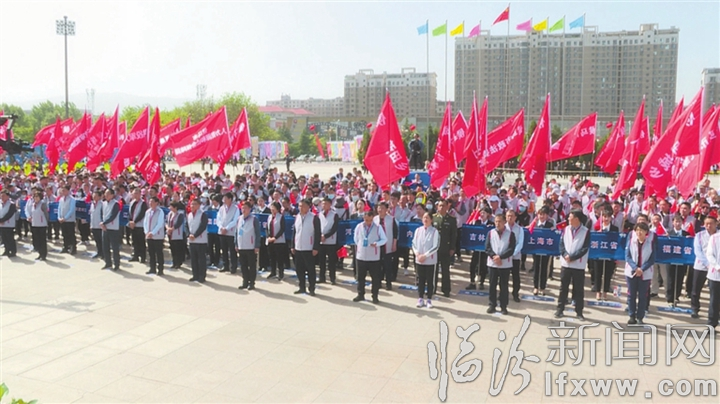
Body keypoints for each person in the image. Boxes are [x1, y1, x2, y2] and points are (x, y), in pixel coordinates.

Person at [554, 209, 591, 321]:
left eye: (570, 217)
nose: (568, 219)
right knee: (563, 288)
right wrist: (565, 254)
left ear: (577, 219)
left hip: (578, 265)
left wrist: (573, 257)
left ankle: (579, 312)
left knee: (578, 289)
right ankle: (560, 309)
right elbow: (561, 244)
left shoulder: (585, 231)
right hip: (566, 264)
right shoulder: (565, 229)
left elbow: (585, 248)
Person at [624, 222, 657, 325]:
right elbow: (627, 256)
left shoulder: (650, 243)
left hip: (645, 272)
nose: (639, 232)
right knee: (631, 295)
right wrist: (635, 268)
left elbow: (652, 259)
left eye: (641, 230)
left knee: (643, 296)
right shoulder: (631, 241)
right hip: (631, 272)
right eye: (637, 230)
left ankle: (640, 317)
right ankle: (631, 316)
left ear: (646, 232)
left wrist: (642, 269)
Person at [353, 210, 387, 304]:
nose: (367, 222)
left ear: (372, 218)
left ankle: (374, 296)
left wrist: (377, 244)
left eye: (369, 220)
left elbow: (384, 239)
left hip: (373, 257)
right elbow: (356, 238)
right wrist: (360, 246)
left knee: (375, 278)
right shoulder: (359, 226)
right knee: (360, 277)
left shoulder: (378, 227)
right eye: (366, 219)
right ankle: (360, 294)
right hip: (361, 256)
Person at [485, 214, 517, 315]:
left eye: (499, 221)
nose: (497, 224)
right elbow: (487, 248)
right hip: (492, 263)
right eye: (496, 221)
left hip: (505, 264)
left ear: (504, 222)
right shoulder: (491, 233)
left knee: (504, 286)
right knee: (492, 285)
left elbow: (511, 249)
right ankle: (492, 305)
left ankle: (503, 306)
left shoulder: (510, 234)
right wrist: (494, 256)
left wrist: (501, 257)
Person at [292, 198, 321, 296]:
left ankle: (312, 288)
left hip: (309, 248)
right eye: (300, 206)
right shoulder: (297, 217)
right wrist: (293, 245)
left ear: (309, 207)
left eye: (303, 206)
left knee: (310, 270)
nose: (301, 208)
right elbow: (295, 232)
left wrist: (315, 247)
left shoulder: (314, 218)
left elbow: (317, 233)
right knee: (299, 269)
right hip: (298, 247)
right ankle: (302, 287)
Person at [691, 215, 717, 318]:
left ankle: (715, 312)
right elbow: (698, 251)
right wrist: (707, 263)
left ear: (716, 224)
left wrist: (714, 264)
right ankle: (695, 309)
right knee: (696, 289)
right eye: (707, 224)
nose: (709, 226)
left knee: (715, 291)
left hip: (716, 268)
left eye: (711, 224)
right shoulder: (699, 235)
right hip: (701, 265)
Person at [412, 212, 439, 308]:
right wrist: (417, 254)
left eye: (427, 218)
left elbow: (435, 246)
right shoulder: (418, 230)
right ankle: (420, 298)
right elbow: (414, 243)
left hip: (430, 260)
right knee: (420, 279)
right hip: (419, 259)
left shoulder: (435, 231)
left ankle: (429, 299)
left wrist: (425, 255)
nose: (425, 220)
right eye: (424, 218)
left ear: (431, 220)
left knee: (430, 280)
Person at [433, 199, 457, 297]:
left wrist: (452, 248)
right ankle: (432, 288)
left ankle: (446, 290)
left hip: (446, 248)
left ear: (447, 207)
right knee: (434, 270)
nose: (441, 207)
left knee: (445, 270)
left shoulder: (451, 219)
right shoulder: (434, 218)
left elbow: (454, 235)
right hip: (435, 248)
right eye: (440, 205)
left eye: (443, 205)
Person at [593, 209, 618, 300]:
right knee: (598, 273)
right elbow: (594, 240)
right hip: (599, 253)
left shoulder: (615, 228)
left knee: (608, 273)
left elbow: (616, 241)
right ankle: (598, 291)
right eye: (604, 216)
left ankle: (605, 291)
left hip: (610, 254)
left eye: (608, 217)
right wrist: (598, 234)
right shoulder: (597, 227)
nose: (606, 219)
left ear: (611, 218)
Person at [236, 201, 261, 290]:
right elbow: (236, 232)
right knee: (243, 265)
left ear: (250, 209)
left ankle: (252, 283)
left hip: (250, 246)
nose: (244, 210)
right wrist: (236, 243)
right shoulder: (239, 219)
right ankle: (245, 281)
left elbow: (257, 233)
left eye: (245, 208)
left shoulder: (254, 219)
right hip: (241, 245)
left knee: (252, 265)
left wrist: (257, 245)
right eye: (242, 208)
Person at [665, 215, 689, 307]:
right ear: (673, 222)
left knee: (680, 278)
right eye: (676, 221)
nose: (678, 223)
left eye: (679, 222)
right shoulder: (669, 233)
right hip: (671, 259)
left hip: (682, 260)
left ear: (682, 223)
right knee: (670, 279)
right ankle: (670, 298)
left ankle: (676, 296)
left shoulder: (686, 234)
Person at [375, 201, 399, 290]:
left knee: (387, 265)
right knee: (378, 265)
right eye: (379, 208)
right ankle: (378, 282)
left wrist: (394, 244)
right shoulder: (374, 219)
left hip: (387, 245)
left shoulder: (391, 219)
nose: (380, 210)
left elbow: (395, 233)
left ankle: (388, 283)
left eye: (382, 208)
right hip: (377, 245)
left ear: (386, 209)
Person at [532, 206, 555, 296]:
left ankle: (542, 287)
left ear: (547, 216)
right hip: (536, 249)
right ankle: (535, 287)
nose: (541, 216)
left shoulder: (550, 225)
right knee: (536, 267)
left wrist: (554, 231)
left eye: (544, 214)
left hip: (546, 250)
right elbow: (529, 233)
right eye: (540, 214)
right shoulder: (534, 224)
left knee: (544, 268)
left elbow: (553, 236)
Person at [317, 197, 339, 284]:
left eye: (326, 203)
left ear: (330, 204)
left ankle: (332, 278)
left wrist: (326, 236)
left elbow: (334, 228)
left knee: (331, 261)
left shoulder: (334, 215)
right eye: (322, 203)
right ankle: (322, 277)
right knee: (321, 261)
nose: (324, 205)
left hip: (331, 241)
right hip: (321, 241)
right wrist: (320, 235)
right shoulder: (319, 214)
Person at [217, 192, 239, 274]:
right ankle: (225, 266)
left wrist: (227, 228)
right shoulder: (221, 208)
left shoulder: (236, 208)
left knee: (232, 250)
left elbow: (235, 220)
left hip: (231, 232)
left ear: (230, 199)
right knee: (224, 250)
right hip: (222, 232)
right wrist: (221, 227)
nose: (224, 200)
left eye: (226, 198)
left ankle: (233, 266)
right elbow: (218, 219)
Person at [505, 210, 524, 303]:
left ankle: (515, 294)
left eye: (512, 216)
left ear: (515, 217)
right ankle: (503, 294)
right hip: (504, 256)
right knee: (504, 276)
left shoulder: (519, 229)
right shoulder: (503, 227)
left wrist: (512, 253)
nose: (510, 218)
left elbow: (520, 243)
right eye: (508, 216)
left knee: (515, 276)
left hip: (515, 256)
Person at [187, 198, 208, 282]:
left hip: (200, 240)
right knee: (194, 259)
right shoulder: (189, 215)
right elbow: (186, 225)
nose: (192, 206)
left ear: (199, 205)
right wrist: (189, 234)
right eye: (191, 204)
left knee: (201, 259)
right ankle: (195, 275)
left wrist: (195, 235)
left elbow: (203, 226)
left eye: (195, 204)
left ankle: (202, 276)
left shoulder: (202, 214)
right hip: (191, 240)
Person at [143, 196, 165, 276]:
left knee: (159, 253)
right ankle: (152, 268)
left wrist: (153, 232)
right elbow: (145, 222)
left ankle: (160, 269)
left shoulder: (160, 212)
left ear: (156, 203)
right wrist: (146, 232)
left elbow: (160, 224)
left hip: (157, 236)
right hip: (149, 235)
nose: (150, 203)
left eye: (152, 202)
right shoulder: (148, 211)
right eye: (149, 202)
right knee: (151, 252)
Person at [100, 188, 121, 271]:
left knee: (115, 247)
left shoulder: (116, 204)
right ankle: (108, 263)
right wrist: (102, 223)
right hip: (105, 228)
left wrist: (104, 223)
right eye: (105, 193)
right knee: (105, 246)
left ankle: (116, 263)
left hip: (113, 228)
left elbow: (113, 216)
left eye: (108, 194)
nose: (106, 195)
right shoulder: (103, 203)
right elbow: (102, 214)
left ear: (112, 195)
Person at [266, 201, 288, 280]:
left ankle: (281, 273)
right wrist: (268, 237)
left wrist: (275, 237)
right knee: (272, 257)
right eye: (271, 207)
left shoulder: (281, 217)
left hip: (279, 241)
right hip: (270, 240)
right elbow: (267, 228)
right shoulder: (269, 217)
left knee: (279, 258)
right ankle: (273, 272)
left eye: (274, 208)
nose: (272, 209)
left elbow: (282, 229)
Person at [26, 191, 48, 261]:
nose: (35, 198)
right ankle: (40, 253)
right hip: (35, 224)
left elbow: (46, 214)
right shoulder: (33, 204)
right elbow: (31, 212)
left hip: (42, 224)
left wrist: (47, 222)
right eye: (34, 196)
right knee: (37, 240)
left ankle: (43, 255)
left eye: (37, 196)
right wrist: (29, 217)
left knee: (42, 240)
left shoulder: (43, 204)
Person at [705, 229, 720, 331]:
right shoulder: (714, 238)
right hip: (716, 275)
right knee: (714, 300)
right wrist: (717, 266)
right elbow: (709, 254)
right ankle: (711, 324)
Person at [127, 188, 147, 263]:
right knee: (134, 241)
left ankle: (143, 257)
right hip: (133, 225)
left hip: (140, 225)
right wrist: (130, 221)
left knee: (141, 241)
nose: (135, 195)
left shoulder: (143, 203)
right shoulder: (132, 202)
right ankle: (135, 255)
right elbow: (130, 213)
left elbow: (142, 214)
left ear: (140, 194)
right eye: (134, 193)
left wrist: (134, 221)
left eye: (136, 193)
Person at [57, 185, 78, 255]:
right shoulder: (61, 199)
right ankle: (65, 247)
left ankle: (73, 248)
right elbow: (59, 208)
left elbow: (71, 210)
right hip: (62, 219)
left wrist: (65, 218)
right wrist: (59, 217)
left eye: (64, 190)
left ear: (68, 191)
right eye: (62, 190)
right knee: (64, 234)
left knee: (71, 234)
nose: (63, 192)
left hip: (69, 220)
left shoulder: (72, 199)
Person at [166, 201, 186, 269]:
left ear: (175, 207)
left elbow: (178, 224)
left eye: (171, 206)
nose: (170, 208)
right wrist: (168, 228)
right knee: (173, 249)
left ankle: (178, 263)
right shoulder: (169, 214)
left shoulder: (180, 214)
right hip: (170, 234)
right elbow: (166, 222)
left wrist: (172, 229)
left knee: (178, 249)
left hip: (177, 234)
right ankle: (174, 262)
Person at [0, 190, 18, 257]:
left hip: (9, 224)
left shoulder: (11, 204)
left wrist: (2, 220)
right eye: (1, 196)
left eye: (4, 196)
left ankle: (13, 251)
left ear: (7, 196)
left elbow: (10, 214)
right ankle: (6, 250)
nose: (2, 197)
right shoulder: (0, 203)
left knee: (10, 238)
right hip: (1, 224)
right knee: (4, 238)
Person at [88, 190, 104, 260]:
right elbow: (91, 215)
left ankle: (103, 253)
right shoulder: (92, 204)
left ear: (100, 197)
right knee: (97, 240)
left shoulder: (102, 204)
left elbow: (103, 215)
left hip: (100, 225)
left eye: (96, 195)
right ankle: (99, 252)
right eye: (93, 195)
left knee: (101, 240)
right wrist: (91, 225)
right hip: (94, 224)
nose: (94, 197)